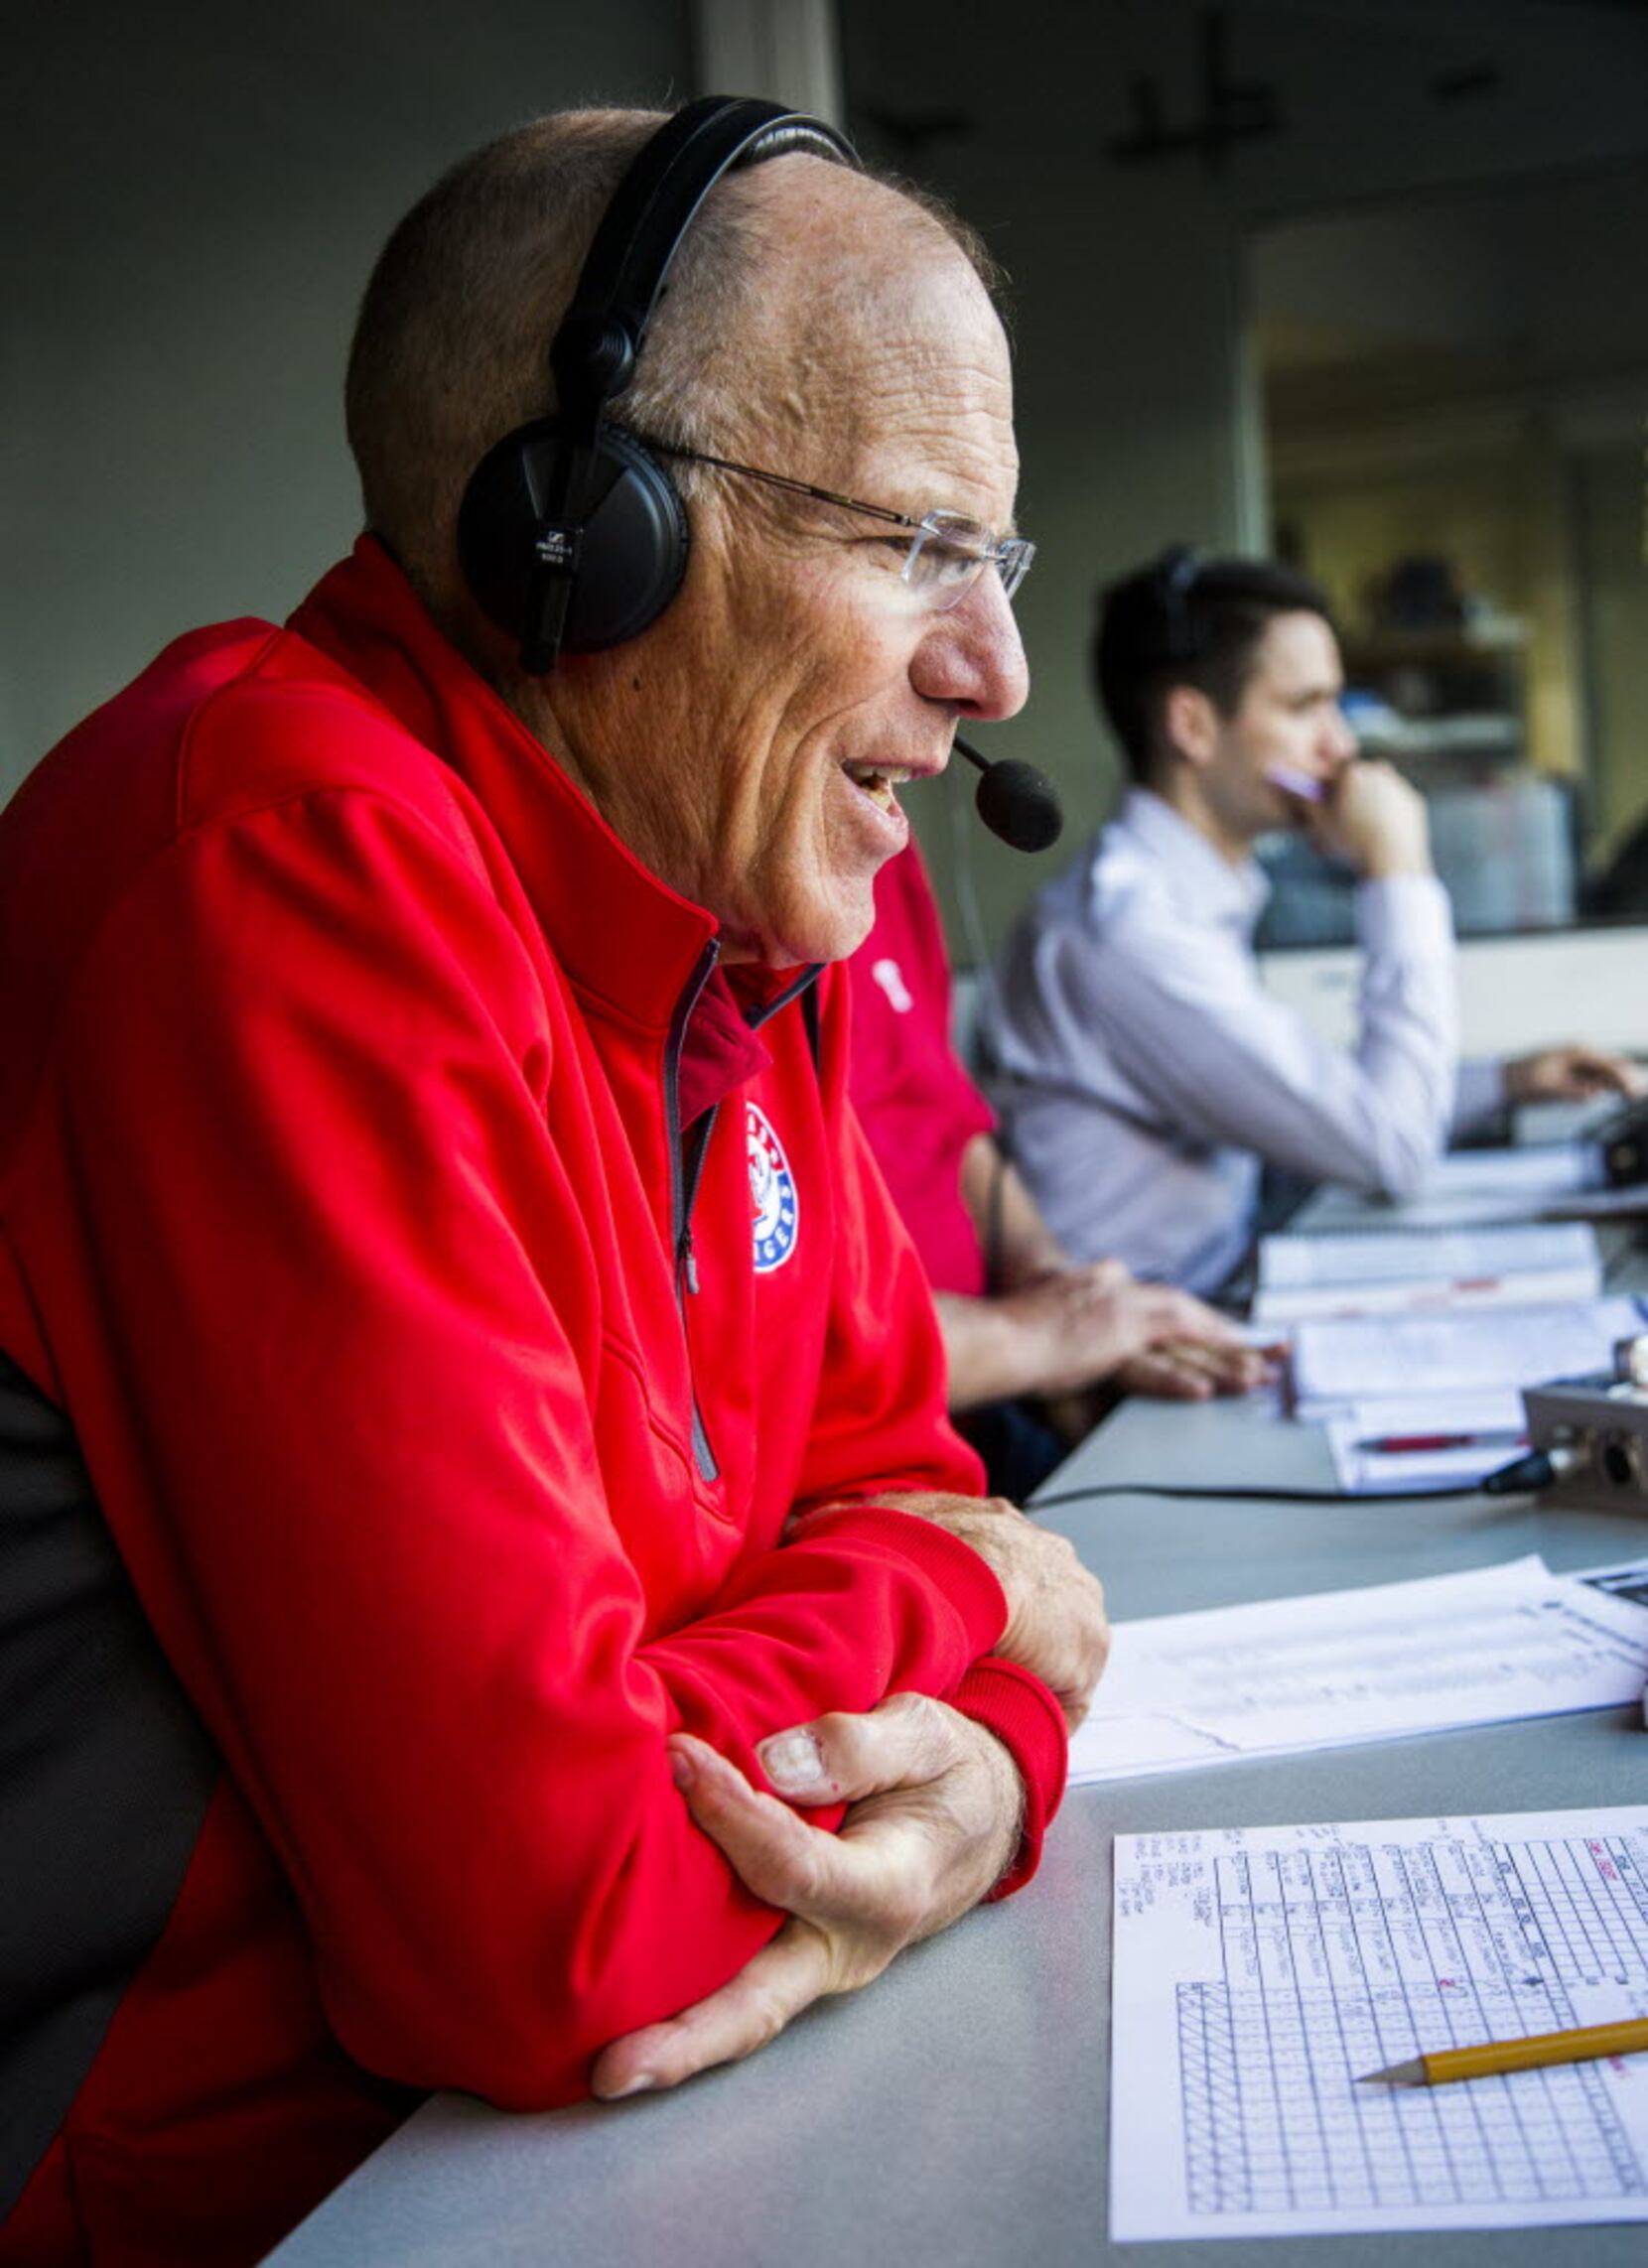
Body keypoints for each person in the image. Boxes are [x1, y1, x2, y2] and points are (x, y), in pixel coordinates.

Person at [0, 100, 1110, 2267]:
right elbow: (554, 1919)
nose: (993, 675)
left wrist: (990, 1774)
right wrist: (989, 1609)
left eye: (1001, 562)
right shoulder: (282, 863)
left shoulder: (728, 928)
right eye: (914, 548)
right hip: (258, 2206)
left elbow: (895, 1476)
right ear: (579, 532)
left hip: (592, 2160)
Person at [978, 551, 1641, 1293]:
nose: (1341, 746)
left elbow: (1324, 1105)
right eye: (1304, 707)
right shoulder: (1127, 931)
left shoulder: (1188, 896)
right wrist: (1397, 864)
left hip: (1213, 1290)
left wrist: (1506, 1082)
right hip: (1137, 1365)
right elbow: (1387, 1148)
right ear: (1191, 725)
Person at [848, 838, 1271, 1494]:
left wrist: (1054, 1289)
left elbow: (953, 1129)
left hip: (992, 1393)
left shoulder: (887, 852)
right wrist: (1033, 1337)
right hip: (859, 1453)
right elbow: (763, 1349)